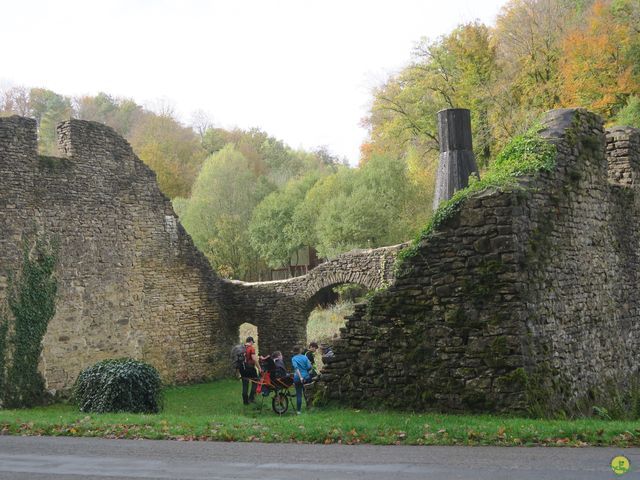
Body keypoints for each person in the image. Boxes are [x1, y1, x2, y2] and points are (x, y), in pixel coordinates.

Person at [291, 345, 313, 414]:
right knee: (307, 392)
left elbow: (296, 368)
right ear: (300, 350)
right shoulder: (305, 357)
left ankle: (298, 411)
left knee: (299, 394)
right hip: (306, 376)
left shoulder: (293, 358)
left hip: (297, 378)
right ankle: (309, 407)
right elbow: (309, 367)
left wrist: (300, 376)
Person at [240, 336, 261, 405]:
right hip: (250, 368)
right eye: (253, 342)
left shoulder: (241, 349)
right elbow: (254, 359)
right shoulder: (251, 348)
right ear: (251, 341)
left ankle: (245, 402)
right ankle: (251, 398)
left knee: (245, 384)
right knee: (256, 381)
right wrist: (259, 368)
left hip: (242, 369)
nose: (253, 344)